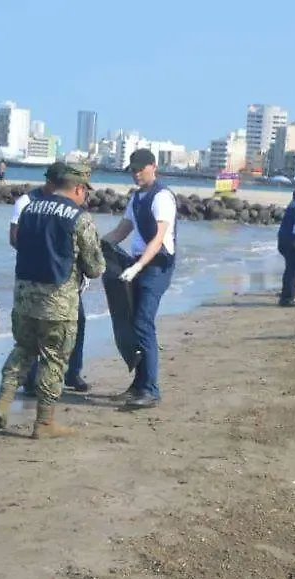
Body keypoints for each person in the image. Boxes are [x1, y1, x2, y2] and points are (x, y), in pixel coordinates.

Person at [0, 163, 104, 436]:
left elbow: (17, 243)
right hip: (58, 302)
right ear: (78, 188)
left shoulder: (29, 209)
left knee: (23, 350)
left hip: (24, 298)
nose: (85, 196)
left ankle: (2, 404)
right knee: (54, 360)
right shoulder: (79, 218)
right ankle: (44, 423)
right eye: (85, 191)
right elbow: (95, 268)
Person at [102, 148, 177, 408]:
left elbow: (158, 239)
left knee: (143, 322)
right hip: (138, 263)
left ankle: (151, 390)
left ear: (153, 167)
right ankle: (138, 385)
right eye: (132, 170)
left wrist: (138, 267)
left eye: (139, 169)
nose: (135, 174)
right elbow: (122, 230)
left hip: (157, 266)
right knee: (131, 321)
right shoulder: (136, 198)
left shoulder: (162, 197)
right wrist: (99, 245)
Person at [11, 162, 91, 394]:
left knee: (78, 323)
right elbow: (14, 238)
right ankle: (32, 378)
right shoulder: (26, 203)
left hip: (66, 277)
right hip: (37, 276)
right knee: (33, 329)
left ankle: (73, 372)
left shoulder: (72, 204)